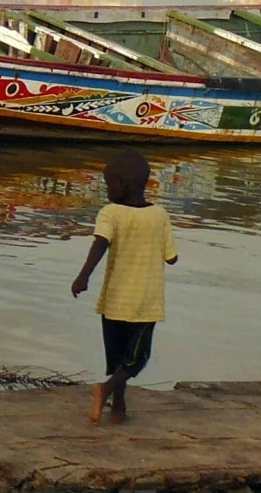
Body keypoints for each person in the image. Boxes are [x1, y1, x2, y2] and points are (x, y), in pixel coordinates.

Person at [71, 149, 177, 425]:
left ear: (122, 184)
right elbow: (172, 257)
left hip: (114, 300)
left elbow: (100, 244)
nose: (106, 190)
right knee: (136, 360)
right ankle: (108, 393)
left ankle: (116, 403)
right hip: (145, 302)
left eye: (108, 184)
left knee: (118, 357)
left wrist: (83, 277)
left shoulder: (110, 213)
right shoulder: (159, 214)